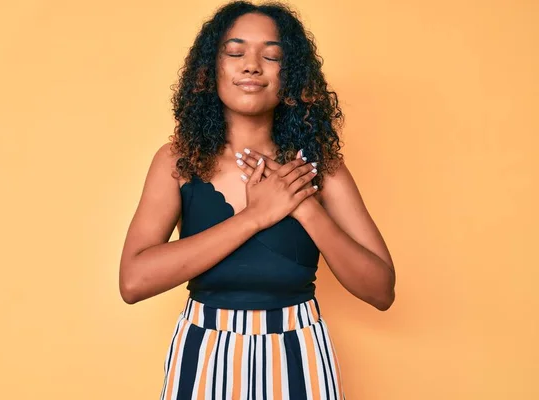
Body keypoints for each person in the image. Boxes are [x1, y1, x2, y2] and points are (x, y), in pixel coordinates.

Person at [119, 1, 396, 398]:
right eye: (235, 53)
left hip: (299, 350)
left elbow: (381, 291)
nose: (252, 65)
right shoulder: (177, 161)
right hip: (204, 350)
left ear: (292, 77)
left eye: (272, 56)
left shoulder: (322, 167)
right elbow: (133, 282)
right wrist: (256, 216)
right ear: (210, 70)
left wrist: (303, 207)